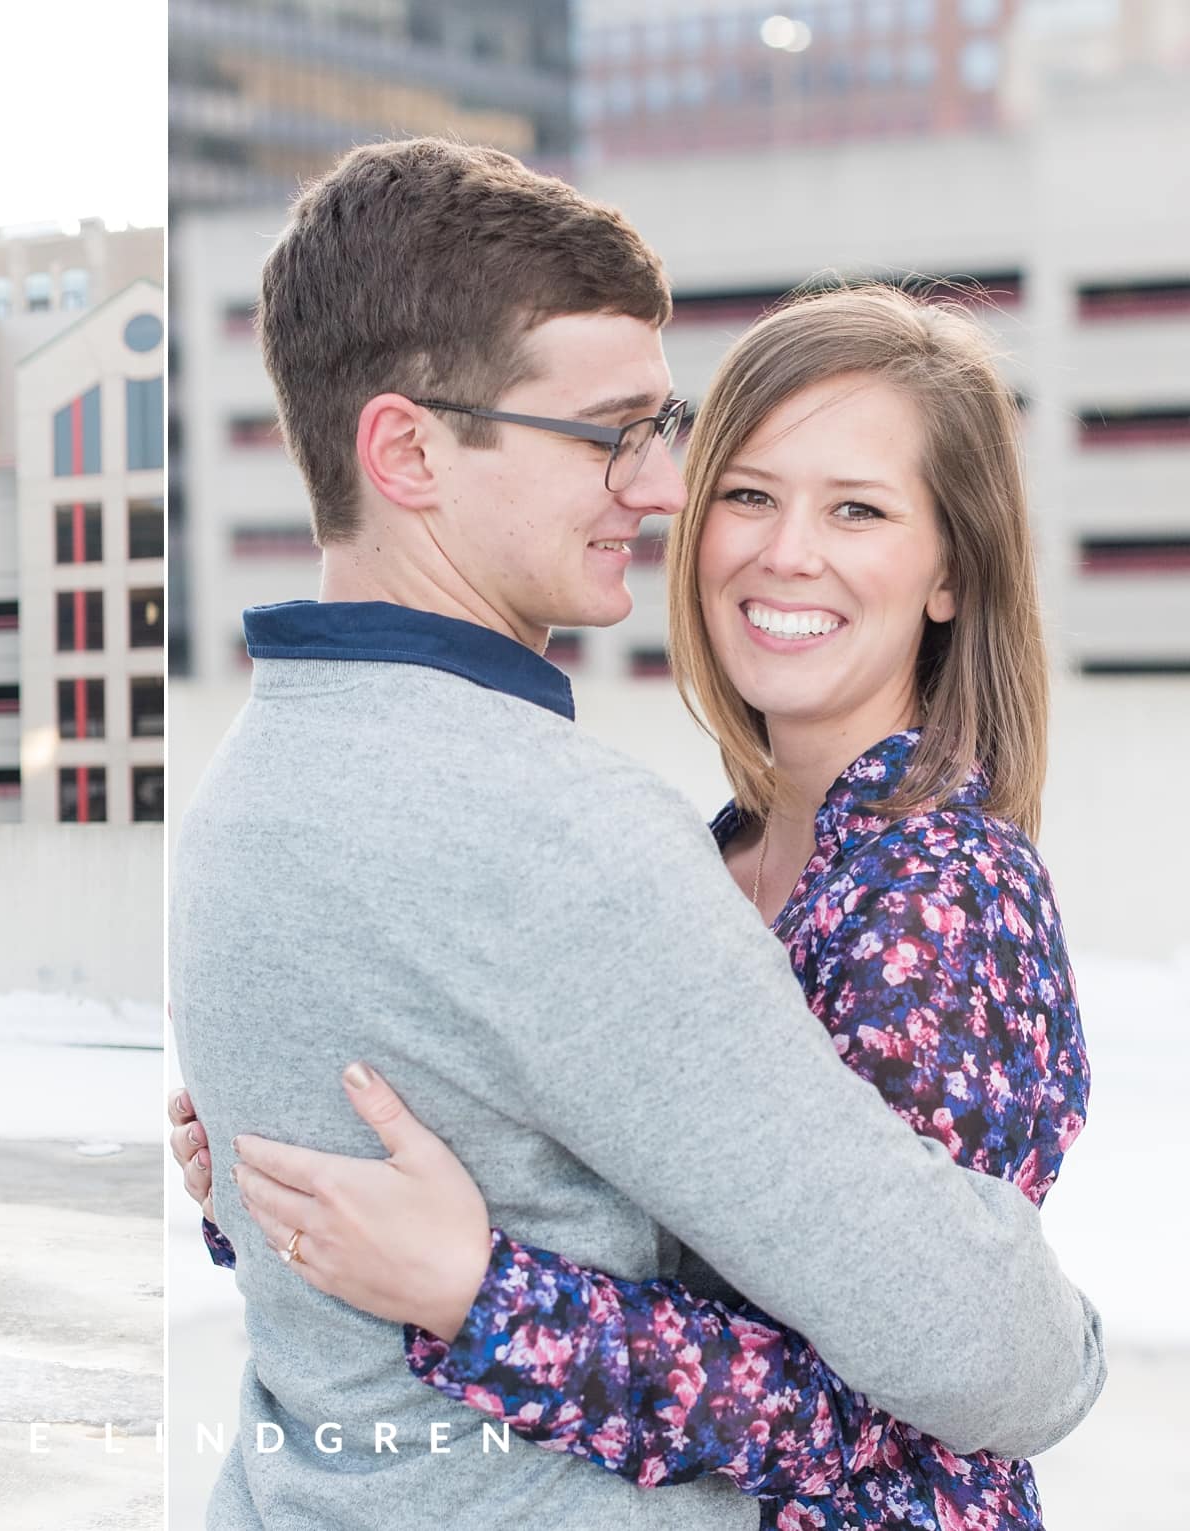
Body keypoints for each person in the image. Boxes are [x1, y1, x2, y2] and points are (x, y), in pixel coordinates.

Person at [166, 138, 1103, 1530]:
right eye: (623, 437)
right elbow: (1002, 1352)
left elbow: (937, 1378)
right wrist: (276, 1203)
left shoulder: (249, 789)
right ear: (408, 448)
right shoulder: (595, 842)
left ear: (950, 566)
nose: (662, 494)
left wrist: (485, 1292)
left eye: (856, 508)